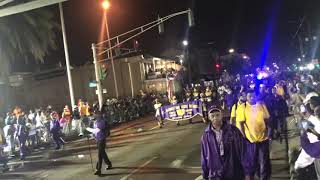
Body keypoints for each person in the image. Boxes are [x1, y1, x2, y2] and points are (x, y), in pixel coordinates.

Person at [201, 107, 245, 180]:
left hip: (233, 171)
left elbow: (243, 151)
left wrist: (247, 171)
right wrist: (205, 174)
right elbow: (204, 156)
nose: (215, 117)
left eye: (217, 115)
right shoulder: (206, 136)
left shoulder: (233, 131)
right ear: (209, 118)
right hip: (215, 174)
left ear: (221, 115)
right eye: (212, 116)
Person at [240, 91, 271, 180]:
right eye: (250, 96)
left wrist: (269, 133)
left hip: (263, 139)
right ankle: (258, 175)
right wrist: (244, 136)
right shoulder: (243, 107)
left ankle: (264, 178)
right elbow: (241, 123)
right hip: (251, 140)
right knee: (254, 161)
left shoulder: (261, 105)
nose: (252, 98)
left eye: (254, 96)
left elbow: (267, 120)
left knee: (263, 161)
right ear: (246, 97)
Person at [86, 110, 112, 176]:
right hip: (98, 140)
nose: (94, 116)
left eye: (95, 114)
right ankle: (109, 164)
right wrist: (90, 135)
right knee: (103, 153)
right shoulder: (96, 122)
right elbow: (95, 132)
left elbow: (97, 130)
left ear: (99, 115)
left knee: (99, 155)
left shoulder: (102, 121)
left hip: (102, 140)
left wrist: (88, 129)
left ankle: (98, 169)